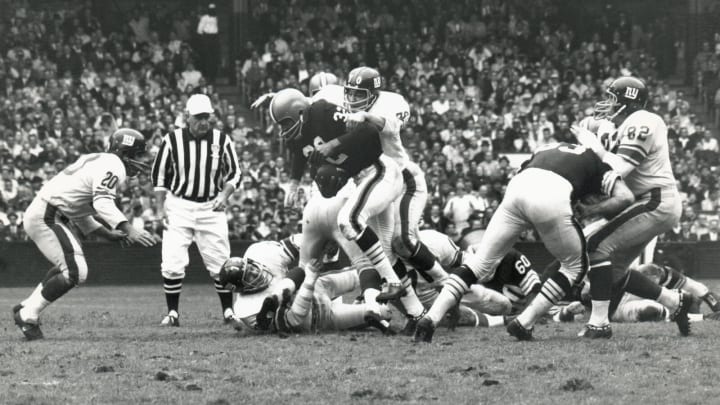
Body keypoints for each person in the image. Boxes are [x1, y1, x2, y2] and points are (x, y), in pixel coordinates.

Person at [414, 142, 636, 343]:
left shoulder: (548, 147)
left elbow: (524, 172)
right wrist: (591, 210)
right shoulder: (597, 162)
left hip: (518, 188)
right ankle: (524, 322)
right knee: (575, 267)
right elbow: (626, 197)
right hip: (551, 195)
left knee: (479, 263)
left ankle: (431, 318)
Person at [572, 76, 690, 338]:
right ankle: (675, 302)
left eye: (613, 99)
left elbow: (621, 168)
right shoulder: (623, 125)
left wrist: (594, 146)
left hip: (656, 200)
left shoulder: (645, 120)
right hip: (646, 201)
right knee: (613, 272)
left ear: (628, 101)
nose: (608, 105)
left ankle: (599, 324)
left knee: (596, 246)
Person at [13, 129, 158, 340]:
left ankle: (27, 307)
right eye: (137, 154)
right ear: (124, 152)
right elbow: (102, 203)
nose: (141, 161)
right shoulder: (114, 165)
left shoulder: (100, 161)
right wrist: (129, 228)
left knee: (69, 268)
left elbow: (80, 212)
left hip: (49, 213)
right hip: (47, 215)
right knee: (76, 271)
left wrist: (107, 233)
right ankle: (28, 315)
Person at [268, 89, 406, 309]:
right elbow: (298, 156)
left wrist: (333, 144)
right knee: (384, 250)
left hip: (378, 171)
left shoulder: (323, 112)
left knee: (379, 233)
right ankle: (416, 313)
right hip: (360, 179)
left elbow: (368, 132)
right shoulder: (297, 138)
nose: (283, 130)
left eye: (286, 123)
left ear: (301, 113)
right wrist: (293, 183)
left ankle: (401, 283)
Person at [151, 94, 242, 327]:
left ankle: (228, 311)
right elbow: (159, 177)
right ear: (187, 117)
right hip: (179, 204)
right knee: (172, 261)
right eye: (199, 117)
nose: (204, 122)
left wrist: (224, 195)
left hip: (210, 206)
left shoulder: (221, 140)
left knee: (221, 262)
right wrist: (160, 209)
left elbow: (235, 173)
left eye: (207, 117)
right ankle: (172, 313)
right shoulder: (172, 140)